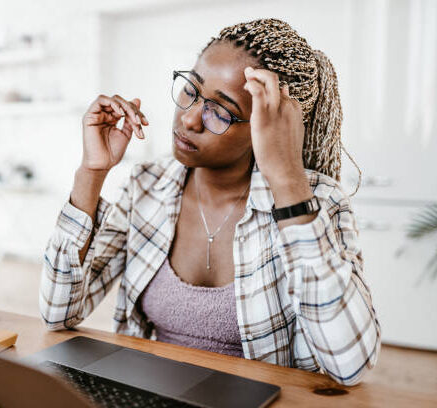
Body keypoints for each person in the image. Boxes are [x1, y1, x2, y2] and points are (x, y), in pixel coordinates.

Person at [39, 18, 380, 386]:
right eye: (190, 90)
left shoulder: (318, 200)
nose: (188, 118)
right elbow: (58, 313)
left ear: (268, 126)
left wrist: (288, 182)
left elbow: (350, 366)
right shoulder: (147, 186)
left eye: (220, 111)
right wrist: (91, 172)